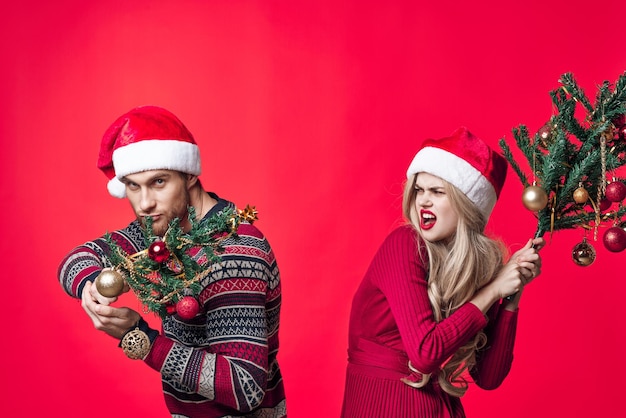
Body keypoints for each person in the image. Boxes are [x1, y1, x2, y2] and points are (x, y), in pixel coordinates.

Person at [57, 106, 287, 418]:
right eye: (133, 186)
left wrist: (140, 339)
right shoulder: (163, 233)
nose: (144, 203)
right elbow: (78, 258)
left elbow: (244, 386)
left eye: (159, 182)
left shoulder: (233, 253)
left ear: (190, 175)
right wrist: (90, 287)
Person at [341, 127, 544, 418]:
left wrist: (511, 296)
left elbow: (489, 378)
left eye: (437, 192)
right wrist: (493, 291)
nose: (423, 200)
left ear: (467, 206)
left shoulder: (475, 266)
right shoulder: (403, 244)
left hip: (437, 408)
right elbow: (425, 353)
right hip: (384, 407)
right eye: (420, 189)